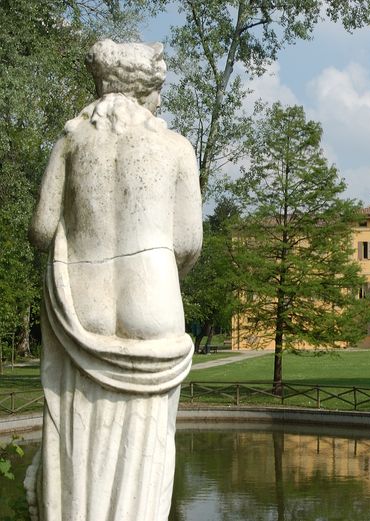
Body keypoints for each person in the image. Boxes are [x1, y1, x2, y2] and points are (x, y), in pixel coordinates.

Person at [25, 40, 202, 521]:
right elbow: (188, 243)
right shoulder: (176, 148)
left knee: (77, 444)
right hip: (154, 303)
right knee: (148, 451)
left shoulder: (71, 142)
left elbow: (41, 229)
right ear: (147, 91)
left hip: (82, 307)